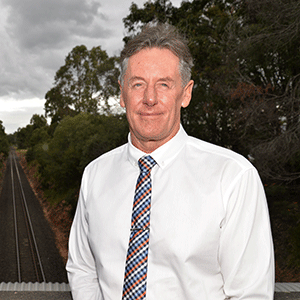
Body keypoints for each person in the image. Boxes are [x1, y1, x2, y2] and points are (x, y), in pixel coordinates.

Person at [66, 23, 274, 299]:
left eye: (163, 84)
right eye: (138, 84)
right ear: (121, 94)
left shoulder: (233, 177)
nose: (149, 99)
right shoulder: (95, 174)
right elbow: (82, 268)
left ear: (185, 93)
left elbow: (251, 293)